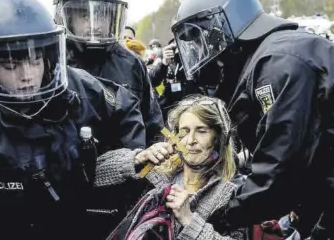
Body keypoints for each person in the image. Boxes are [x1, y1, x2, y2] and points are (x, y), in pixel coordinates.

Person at [170, 0, 334, 239]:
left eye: (201, 41)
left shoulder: (276, 63)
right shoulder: (272, 58)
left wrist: (216, 217)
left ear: (222, 29)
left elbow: (278, 172)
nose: (200, 55)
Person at [0, 0, 146, 240]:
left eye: (35, 60)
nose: (28, 76)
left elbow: (125, 106)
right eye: (11, 65)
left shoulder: (75, 88)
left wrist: (127, 171)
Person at [94, 95, 246, 239]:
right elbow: (89, 175)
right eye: (184, 132)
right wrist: (138, 158)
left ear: (219, 139)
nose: (190, 140)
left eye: (201, 131)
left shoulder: (231, 194)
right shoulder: (154, 173)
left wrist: (190, 221)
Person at [53, 0, 164, 146]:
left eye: (101, 16)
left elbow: (153, 124)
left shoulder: (132, 64)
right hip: (72, 167)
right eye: (84, 16)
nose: (94, 25)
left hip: (127, 165)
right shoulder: (54, 64)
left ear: (113, 19)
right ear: (68, 18)